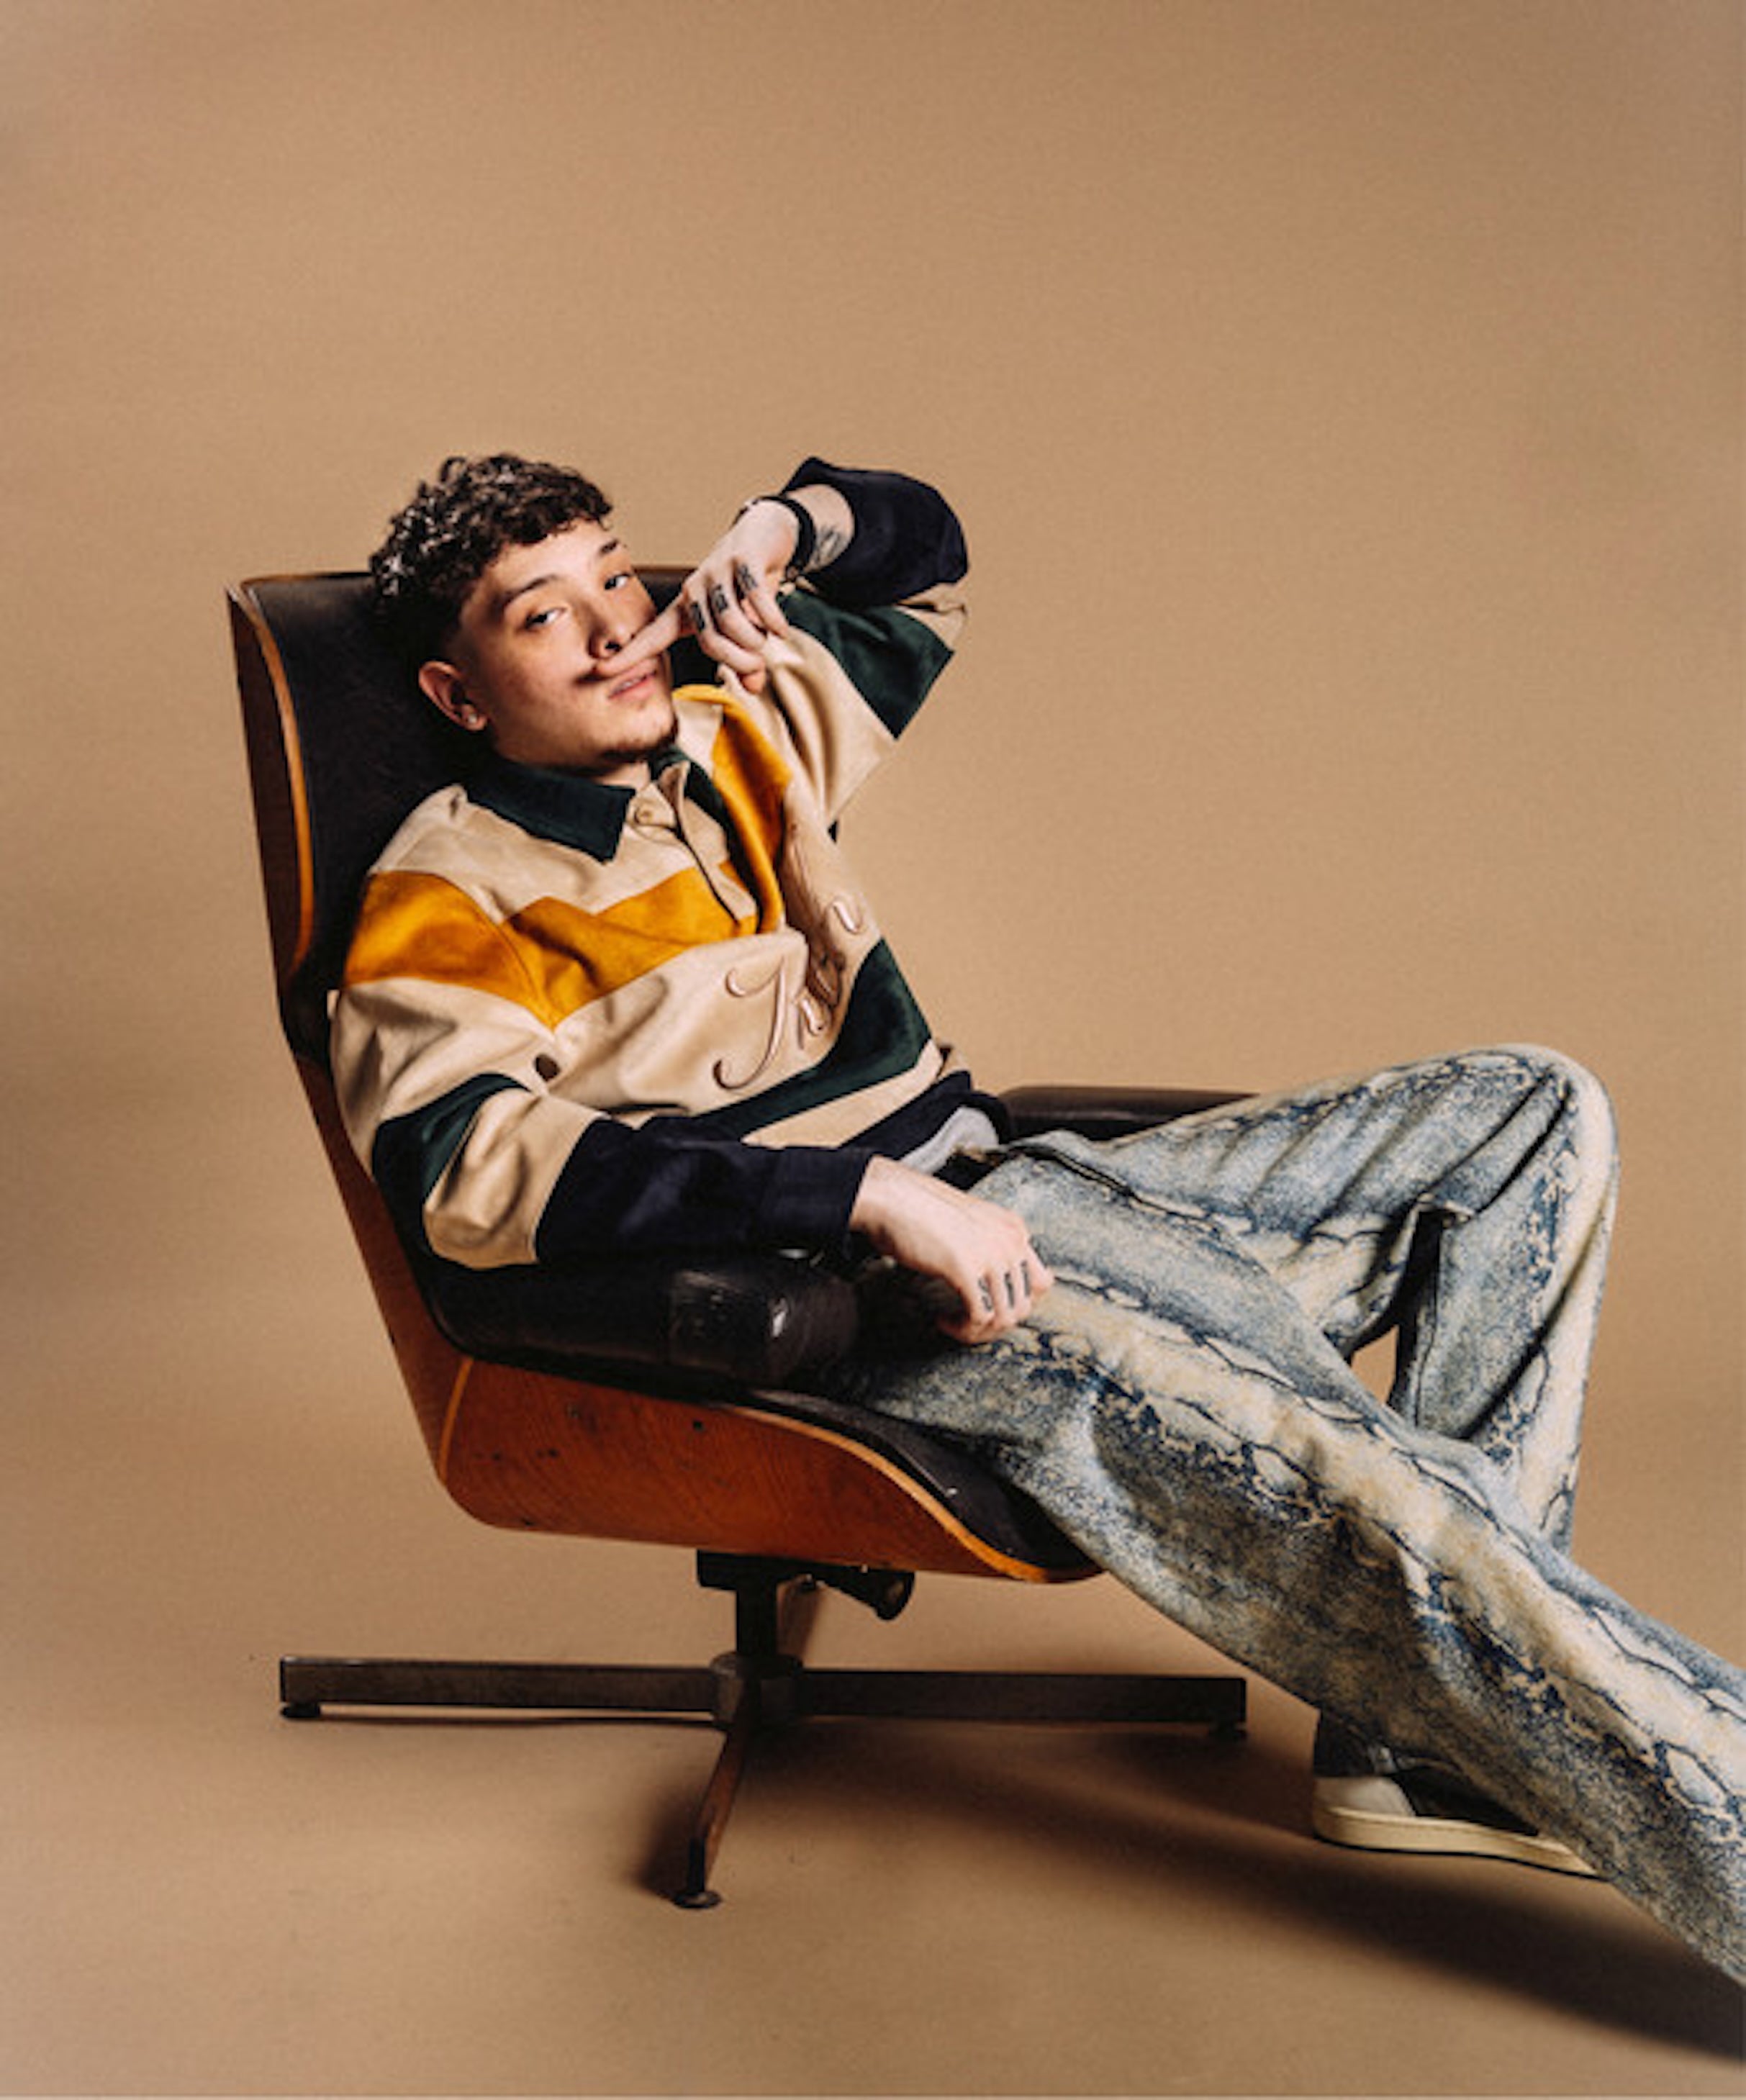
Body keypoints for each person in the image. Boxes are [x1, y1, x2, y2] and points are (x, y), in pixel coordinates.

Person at [335, 451, 1744, 1981]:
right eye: (546, 614)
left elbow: (925, 564)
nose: (619, 626)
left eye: (618, 574)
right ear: (458, 692)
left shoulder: (740, 728)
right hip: (893, 1304)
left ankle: (1432, 1746)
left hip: (1036, 1189)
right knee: (1374, 1488)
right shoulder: (450, 891)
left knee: (1531, 1110)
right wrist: (859, 1195)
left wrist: (783, 528)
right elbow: (466, 1172)